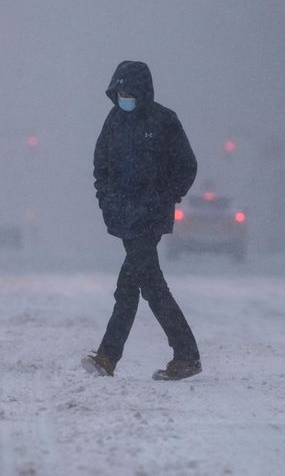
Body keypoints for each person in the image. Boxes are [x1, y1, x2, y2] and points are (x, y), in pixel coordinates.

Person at [83, 60, 201, 380]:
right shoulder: (114, 122)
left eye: (129, 91)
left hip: (150, 218)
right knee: (149, 284)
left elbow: (186, 166)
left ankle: (108, 357)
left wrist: (165, 197)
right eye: (119, 91)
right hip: (123, 216)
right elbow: (101, 167)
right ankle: (186, 354)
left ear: (142, 91)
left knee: (130, 286)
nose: (124, 96)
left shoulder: (164, 121)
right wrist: (106, 202)